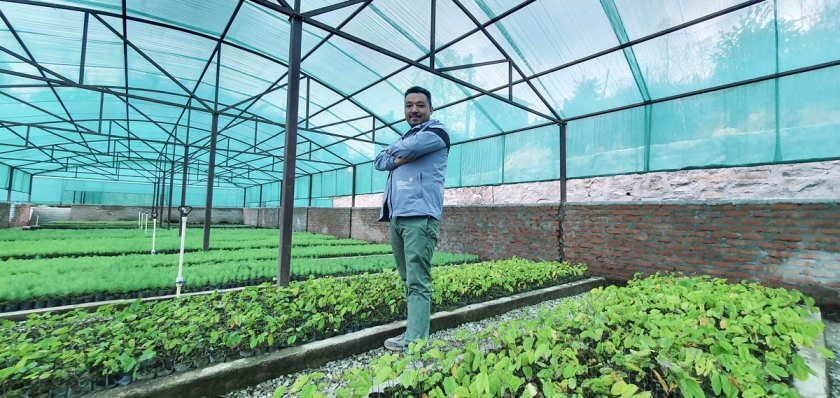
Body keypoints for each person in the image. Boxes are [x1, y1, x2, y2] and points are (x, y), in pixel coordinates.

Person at [374, 86, 450, 352]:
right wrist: (398, 157)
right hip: (398, 217)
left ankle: (415, 343)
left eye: (420, 105)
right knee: (408, 280)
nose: (414, 110)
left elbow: (413, 146)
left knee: (418, 281)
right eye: (409, 105)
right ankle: (412, 334)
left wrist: (393, 150)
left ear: (430, 108)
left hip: (420, 217)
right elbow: (379, 162)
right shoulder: (408, 137)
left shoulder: (437, 132)